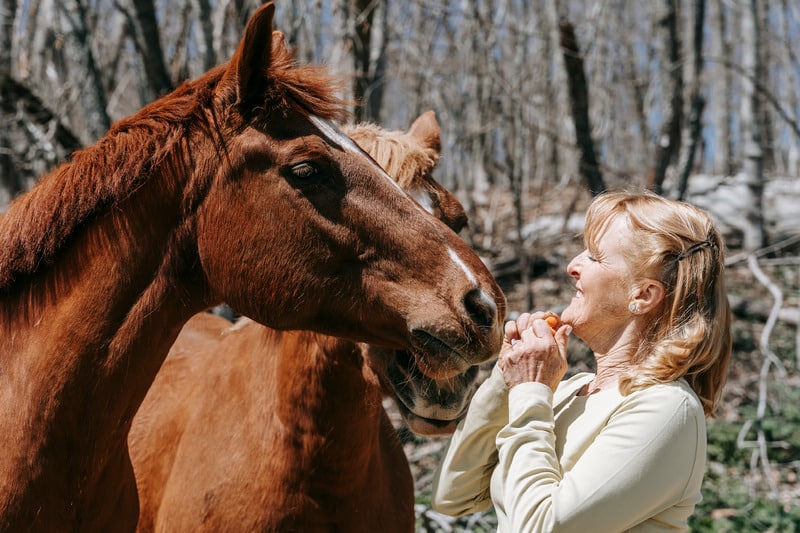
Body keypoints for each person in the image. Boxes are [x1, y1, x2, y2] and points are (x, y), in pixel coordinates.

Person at [431, 190, 732, 532]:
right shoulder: (564, 391)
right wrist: (507, 382)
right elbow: (453, 496)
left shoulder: (666, 409)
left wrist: (530, 390)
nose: (572, 266)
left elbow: (543, 527)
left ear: (643, 295)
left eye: (594, 256)